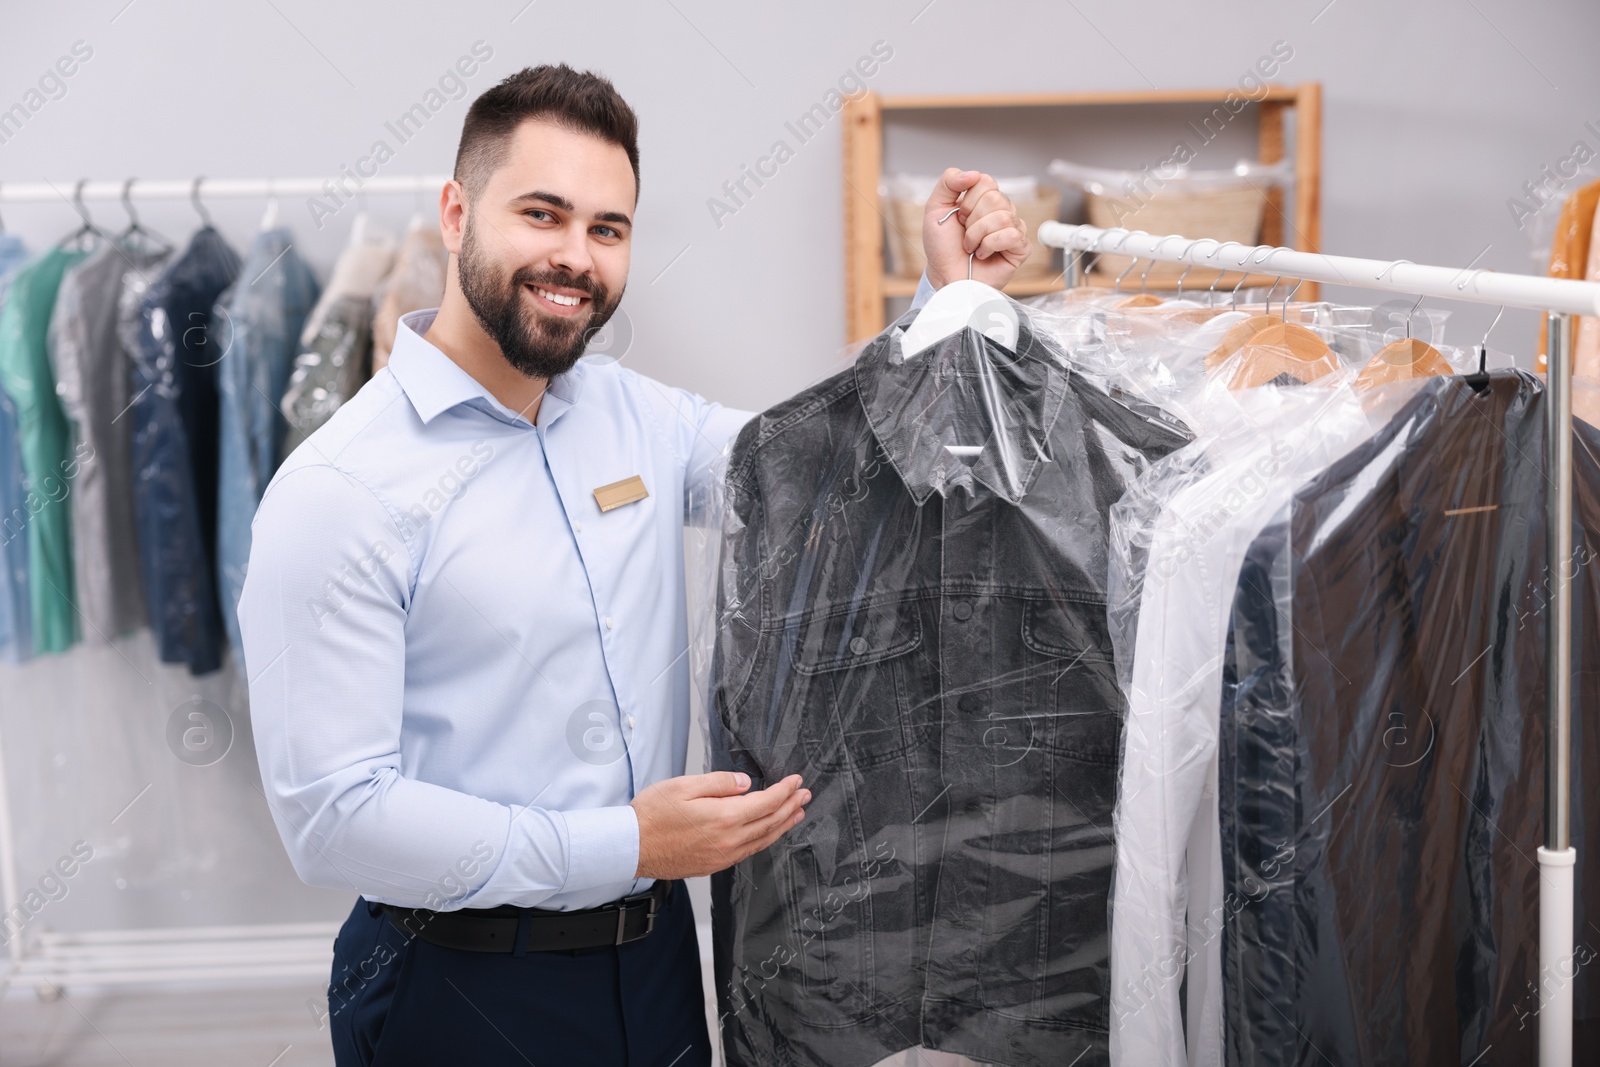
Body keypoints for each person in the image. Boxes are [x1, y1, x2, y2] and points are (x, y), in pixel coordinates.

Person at [238, 62, 1029, 1067]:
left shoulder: (633, 413)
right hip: (460, 984)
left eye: (607, 229)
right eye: (542, 213)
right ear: (453, 210)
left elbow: (827, 472)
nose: (576, 257)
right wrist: (625, 843)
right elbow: (336, 820)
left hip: (654, 965)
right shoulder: (339, 490)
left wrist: (945, 301)